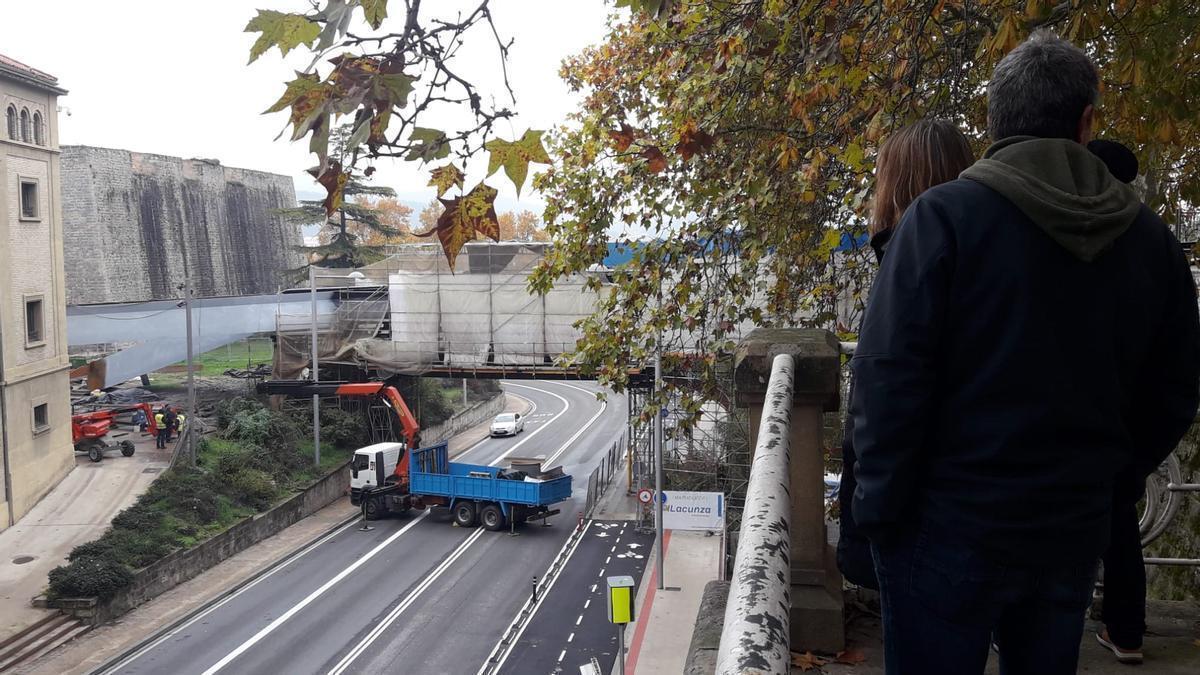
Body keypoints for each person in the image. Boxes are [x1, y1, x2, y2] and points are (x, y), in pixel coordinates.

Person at [850, 31, 1200, 675]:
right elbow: (1175, 389)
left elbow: (888, 379)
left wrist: (879, 513)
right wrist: (1107, 481)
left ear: (994, 122)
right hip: (1068, 527)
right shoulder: (1150, 241)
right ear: (1086, 122)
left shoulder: (942, 218)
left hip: (945, 524)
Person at [837, 118, 974, 591]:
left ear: (895, 185)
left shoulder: (909, 257)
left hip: (924, 512)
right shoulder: (992, 252)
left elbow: (888, 387)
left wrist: (870, 515)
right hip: (994, 501)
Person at [1087, 138, 1149, 664]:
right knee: (1120, 520)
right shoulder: (1145, 241)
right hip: (1129, 412)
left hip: (1082, 405)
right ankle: (1127, 629)